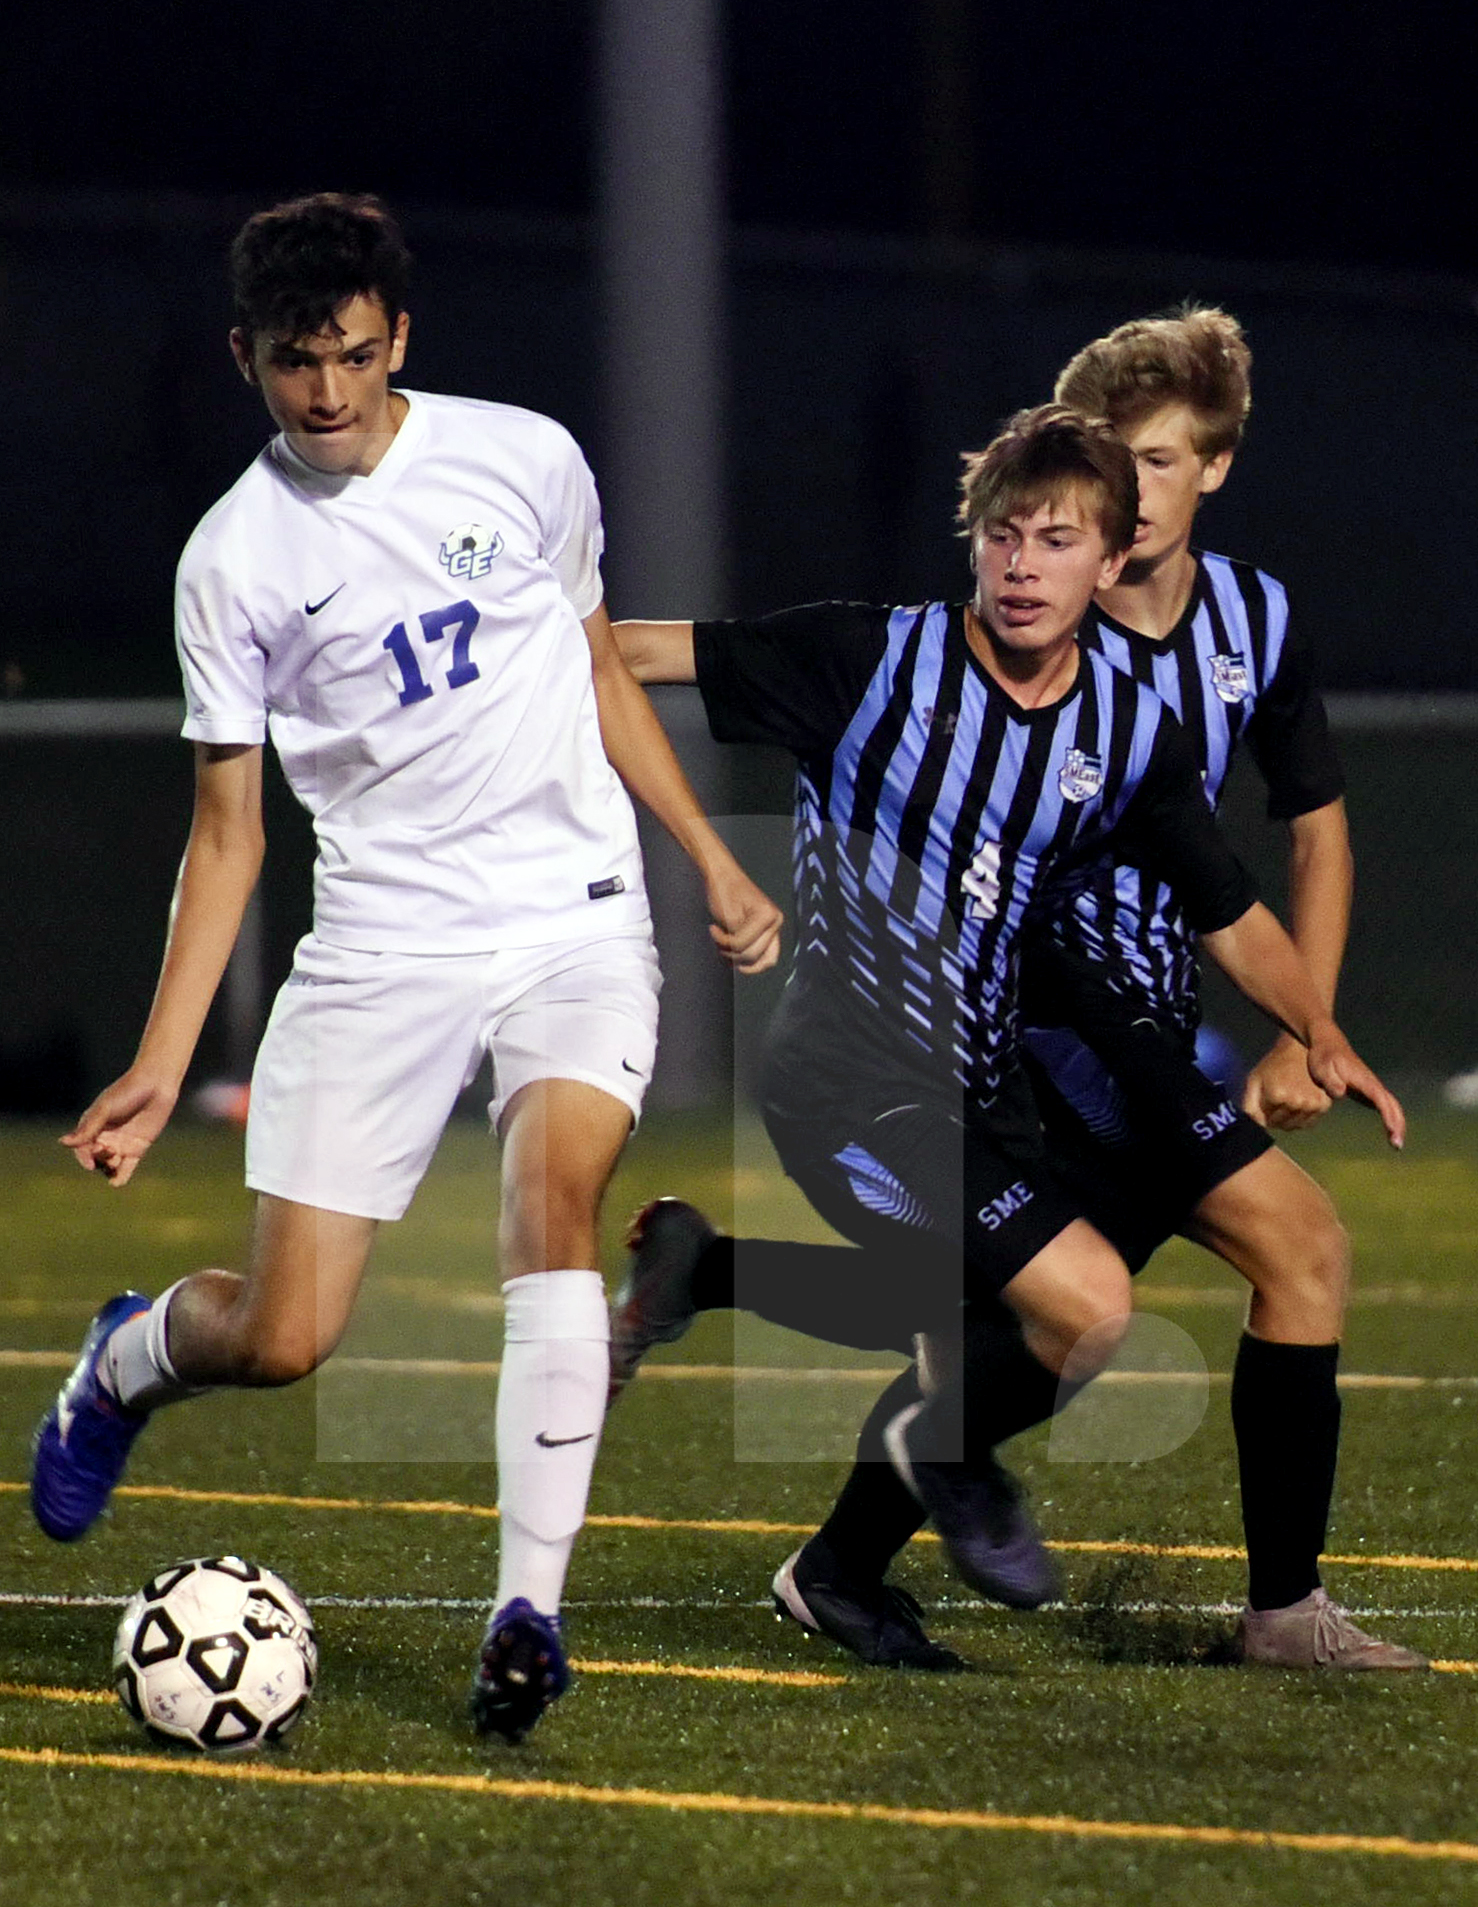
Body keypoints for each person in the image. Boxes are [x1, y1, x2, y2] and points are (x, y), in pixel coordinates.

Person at [30, 192, 782, 1744]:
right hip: (381, 945)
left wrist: (705, 855)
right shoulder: (230, 564)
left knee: (554, 1198)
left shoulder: (526, 456)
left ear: (402, 342)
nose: (330, 393)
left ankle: (527, 1615)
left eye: (358, 357)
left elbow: (589, 670)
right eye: (298, 363)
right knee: (286, 1339)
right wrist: (164, 1063)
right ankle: (128, 1360)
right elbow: (229, 834)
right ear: (247, 357)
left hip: (572, 914)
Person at [608, 402, 1422, 1673]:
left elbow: (1224, 906)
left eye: (1055, 542)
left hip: (983, 1092)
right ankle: (931, 1458)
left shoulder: (1123, 728)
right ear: (971, 543)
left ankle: (823, 1479)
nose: (1021, 566)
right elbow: (609, 651)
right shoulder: (867, 661)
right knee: (1076, 1301)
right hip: (846, 1091)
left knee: (1009, 1305)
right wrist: (707, 858)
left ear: (1111, 563)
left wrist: (1315, 1025)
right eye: (1001, 536)